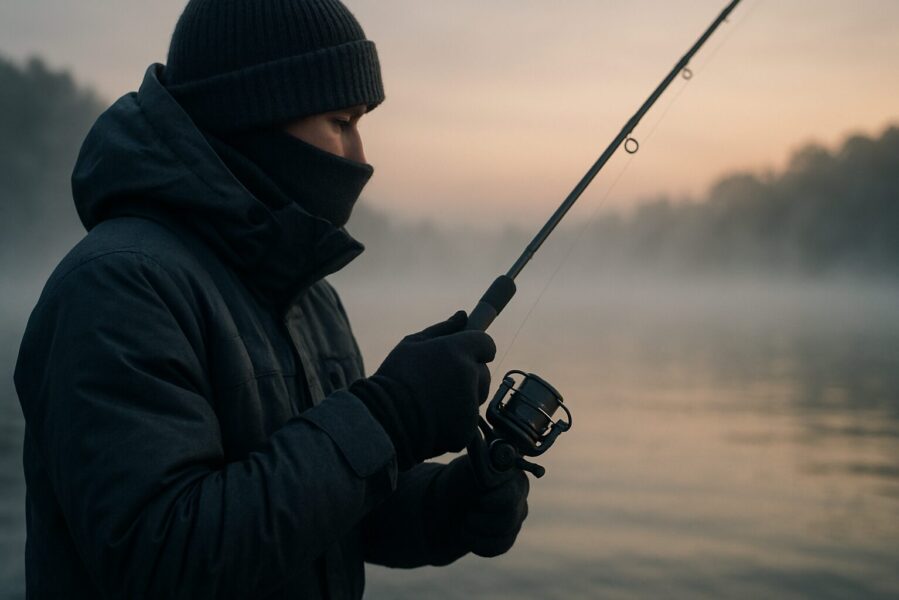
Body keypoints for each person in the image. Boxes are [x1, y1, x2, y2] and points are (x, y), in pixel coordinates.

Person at [13, 0, 529, 598]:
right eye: (342, 122)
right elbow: (162, 557)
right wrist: (390, 417)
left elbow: (333, 517)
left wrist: (447, 506)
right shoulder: (116, 288)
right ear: (253, 114)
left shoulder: (311, 296)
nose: (360, 158)